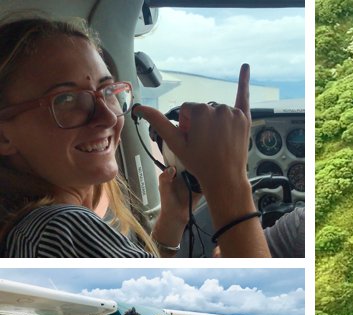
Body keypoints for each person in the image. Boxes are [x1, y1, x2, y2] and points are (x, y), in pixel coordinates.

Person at [0, 15, 270, 257]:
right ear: (3, 136)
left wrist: (173, 218)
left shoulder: (39, 229)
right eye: (67, 99)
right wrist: (229, 185)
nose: (107, 117)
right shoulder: (61, 229)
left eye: (108, 91)